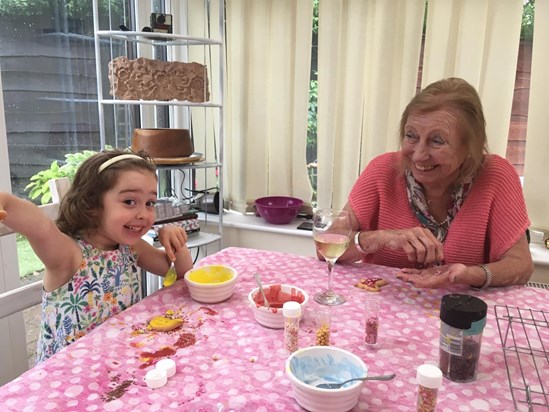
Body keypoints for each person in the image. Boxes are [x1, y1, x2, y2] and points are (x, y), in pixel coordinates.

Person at [337, 77, 534, 289]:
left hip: (462, 315)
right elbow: (327, 245)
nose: (419, 155)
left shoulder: (497, 175)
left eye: (437, 141)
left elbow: (521, 266)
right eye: (411, 136)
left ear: (470, 147)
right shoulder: (383, 170)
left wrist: (470, 274)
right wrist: (381, 238)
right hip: (381, 311)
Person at [0, 149, 193, 362]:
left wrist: (176, 241)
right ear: (92, 205)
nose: (143, 214)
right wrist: (5, 202)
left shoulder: (130, 247)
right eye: (129, 201)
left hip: (118, 360)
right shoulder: (67, 255)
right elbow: (38, 224)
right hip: (67, 375)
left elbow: (179, 273)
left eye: (149, 203)